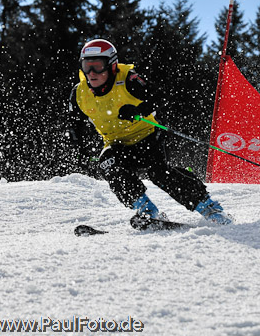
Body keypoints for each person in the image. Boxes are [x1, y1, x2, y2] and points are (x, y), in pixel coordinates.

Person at [67, 38, 232, 225]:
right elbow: (74, 126)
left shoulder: (128, 79)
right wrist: (80, 150)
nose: (91, 73)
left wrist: (139, 110)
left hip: (147, 137)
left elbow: (158, 97)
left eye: (98, 66)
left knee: (159, 174)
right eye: (86, 66)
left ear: (112, 65)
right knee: (108, 164)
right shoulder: (79, 93)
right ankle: (146, 210)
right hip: (116, 145)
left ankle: (209, 208)